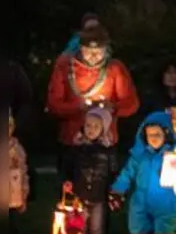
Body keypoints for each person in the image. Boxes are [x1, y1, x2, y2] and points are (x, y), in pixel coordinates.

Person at [46, 22, 139, 161]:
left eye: (99, 52)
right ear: (80, 49)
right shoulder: (64, 66)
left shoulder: (115, 69)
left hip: (105, 141)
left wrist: (112, 108)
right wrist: (78, 108)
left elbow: (131, 103)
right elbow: (53, 104)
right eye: (88, 51)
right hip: (72, 139)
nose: (94, 56)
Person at [110, 111, 176, 234]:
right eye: (150, 135)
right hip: (140, 201)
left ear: (166, 133)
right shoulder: (139, 156)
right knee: (138, 232)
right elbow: (127, 174)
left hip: (166, 200)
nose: (154, 138)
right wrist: (117, 191)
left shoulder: (174, 154)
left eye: (157, 134)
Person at [61, 107, 118, 234]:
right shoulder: (76, 149)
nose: (91, 129)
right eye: (88, 125)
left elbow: (113, 172)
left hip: (98, 197)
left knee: (98, 231)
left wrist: (113, 192)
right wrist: (67, 182)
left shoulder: (108, 151)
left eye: (95, 126)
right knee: (79, 231)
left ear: (103, 129)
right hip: (79, 196)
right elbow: (67, 168)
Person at [5, 112, 29, 234]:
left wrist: (24, 194)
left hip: (11, 197)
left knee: (12, 231)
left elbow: (23, 173)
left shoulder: (17, 149)